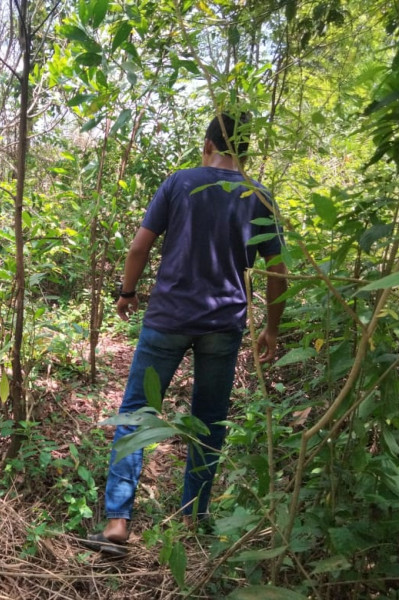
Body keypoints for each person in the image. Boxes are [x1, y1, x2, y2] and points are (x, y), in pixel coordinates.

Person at [85, 112, 287, 555]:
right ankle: (194, 519)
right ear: (246, 149)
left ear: (208, 144)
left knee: (137, 414)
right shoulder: (259, 197)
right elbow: (278, 271)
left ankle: (118, 524)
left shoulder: (179, 183)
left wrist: (127, 292)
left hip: (169, 317)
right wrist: (272, 328)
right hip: (224, 324)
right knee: (211, 420)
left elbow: (140, 246)